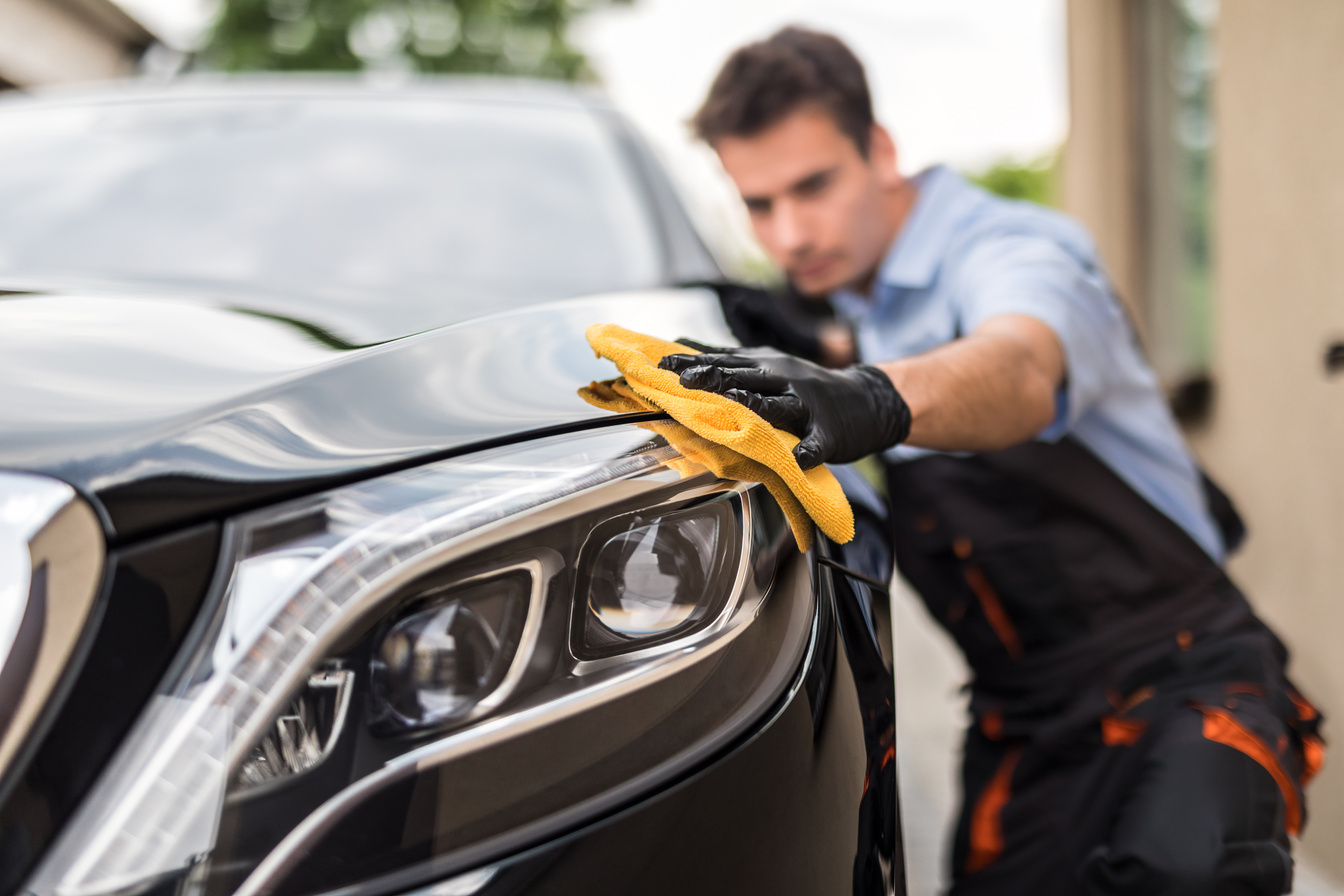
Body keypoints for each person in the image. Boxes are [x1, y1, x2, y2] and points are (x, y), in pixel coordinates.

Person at [660, 27, 1324, 896]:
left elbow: (1019, 365)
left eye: (813, 187)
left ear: (882, 150)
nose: (790, 234)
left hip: (1183, 681)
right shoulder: (857, 302)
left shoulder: (1012, 250)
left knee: (1190, 876)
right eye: (758, 205)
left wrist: (867, 395)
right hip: (1026, 725)